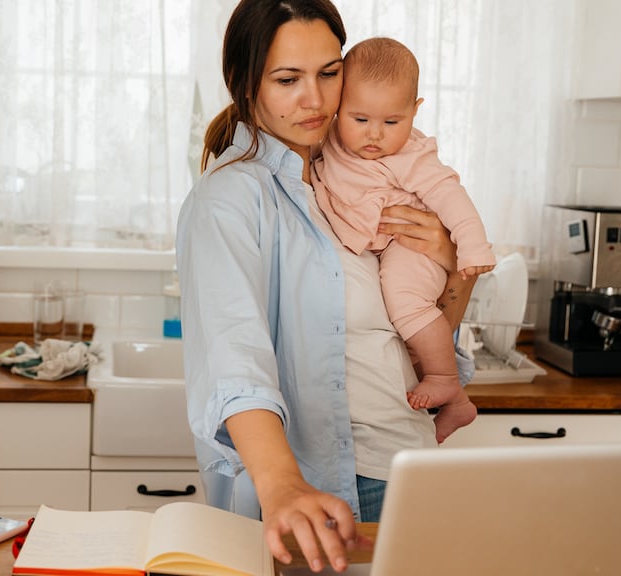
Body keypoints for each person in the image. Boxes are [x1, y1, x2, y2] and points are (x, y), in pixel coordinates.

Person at [176, 1, 476, 572]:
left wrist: (451, 263)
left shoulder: (359, 174)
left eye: (329, 73)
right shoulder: (231, 198)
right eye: (288, 79)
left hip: (406, 464)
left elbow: (416, 338)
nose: (314, 99)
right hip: (318, 486)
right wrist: (283, 485)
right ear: (245, 82)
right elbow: (235, 359)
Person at [312, 37, 496, 442]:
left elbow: (450, 195)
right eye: (360, 119)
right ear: (338, 106)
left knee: (404, 297)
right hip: (383, 246)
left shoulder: (410, 155)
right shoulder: (330, 140)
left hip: (410, 246)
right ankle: (456, 401)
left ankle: (445, 380)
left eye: (392, 122)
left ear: (415, 111)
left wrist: (471, 246)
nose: (374, 134)